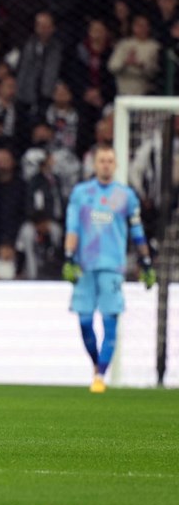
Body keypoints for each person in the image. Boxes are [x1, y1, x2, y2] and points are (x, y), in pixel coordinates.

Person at [63, 143, 155, 393]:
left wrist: (146, 261)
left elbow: (137, 230)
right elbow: (72, 227)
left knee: (109, 319)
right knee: (84, 321)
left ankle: (100, 376)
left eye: (110, 161)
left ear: (116, 165)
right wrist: (68, 256)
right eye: (102, 160)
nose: (106, 165)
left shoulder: (125, 196)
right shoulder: (81, 193)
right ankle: (96, 364)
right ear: (95, 164)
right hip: (84, 265)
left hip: (112, 266)